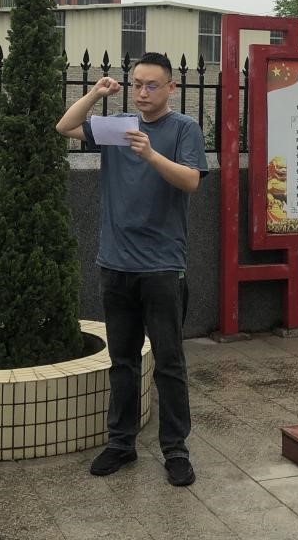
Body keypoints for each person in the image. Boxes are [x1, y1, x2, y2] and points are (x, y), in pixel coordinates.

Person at [56, 52, 208, 487]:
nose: (143, 92)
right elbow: (65, 127)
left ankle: (175, 449)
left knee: (169, 362)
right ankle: (121, 443)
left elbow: (191, 180)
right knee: (122, 360)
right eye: (137, 84)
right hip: (116, 263)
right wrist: (95, 93)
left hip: (163, 266)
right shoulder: (118, 126)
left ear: (171, 88)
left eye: (152, 85)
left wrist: (150, 154)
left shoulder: (184, 128)